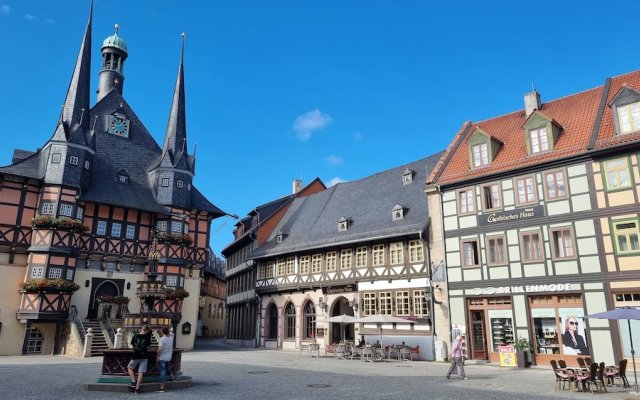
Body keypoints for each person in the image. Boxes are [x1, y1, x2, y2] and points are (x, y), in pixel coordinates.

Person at [127, 325, 152, 394]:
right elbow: (149, 346)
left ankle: (133, 382)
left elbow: (132, 344)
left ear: (141, 329)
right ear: (147, 331)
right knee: (141, 373)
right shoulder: (147, 337)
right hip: (144, 356)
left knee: (129, 367)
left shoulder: (135, 336)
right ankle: (137, 390)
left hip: (136, 355)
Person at [157, 327, 174, 392]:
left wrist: (157, 356)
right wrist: (169, 330)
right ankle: (172, 378)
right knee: (167, 368)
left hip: (163, 357)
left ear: (162, 332)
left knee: (162, 372)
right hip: (169, 356)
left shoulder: (161, 339)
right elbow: (171, 331)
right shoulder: (171, 337)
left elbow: (160, 349)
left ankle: (162, 387)